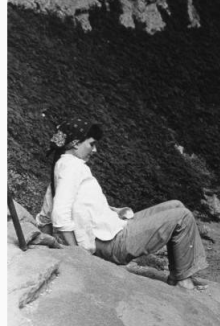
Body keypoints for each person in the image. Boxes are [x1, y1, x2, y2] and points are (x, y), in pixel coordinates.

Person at [36, 118, 208, 290]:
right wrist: (77, 256)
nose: (94, 150)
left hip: (111, 229)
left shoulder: (62, 166)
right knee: (182, 216)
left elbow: (45, 214)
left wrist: (48, 246)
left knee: (175, 205)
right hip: (112, 243)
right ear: (75, 144)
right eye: (91, 144)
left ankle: (181, 272)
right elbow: (59, 214)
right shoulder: (73, 167)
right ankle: (183, 280)